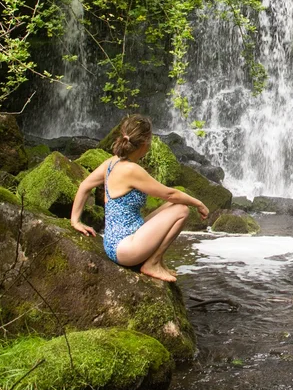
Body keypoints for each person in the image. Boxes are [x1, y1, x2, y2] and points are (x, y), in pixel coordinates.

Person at [70, 114, 209, 282]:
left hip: (117, 240)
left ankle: (159, 262)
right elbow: (170, 193)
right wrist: (199, 203)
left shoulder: (112, 162)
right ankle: (152, 263)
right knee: (182, 209)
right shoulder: (131, 170)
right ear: (145, 143)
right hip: (125, 248)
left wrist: (75, 220)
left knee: (172, 205)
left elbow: (85, 185)